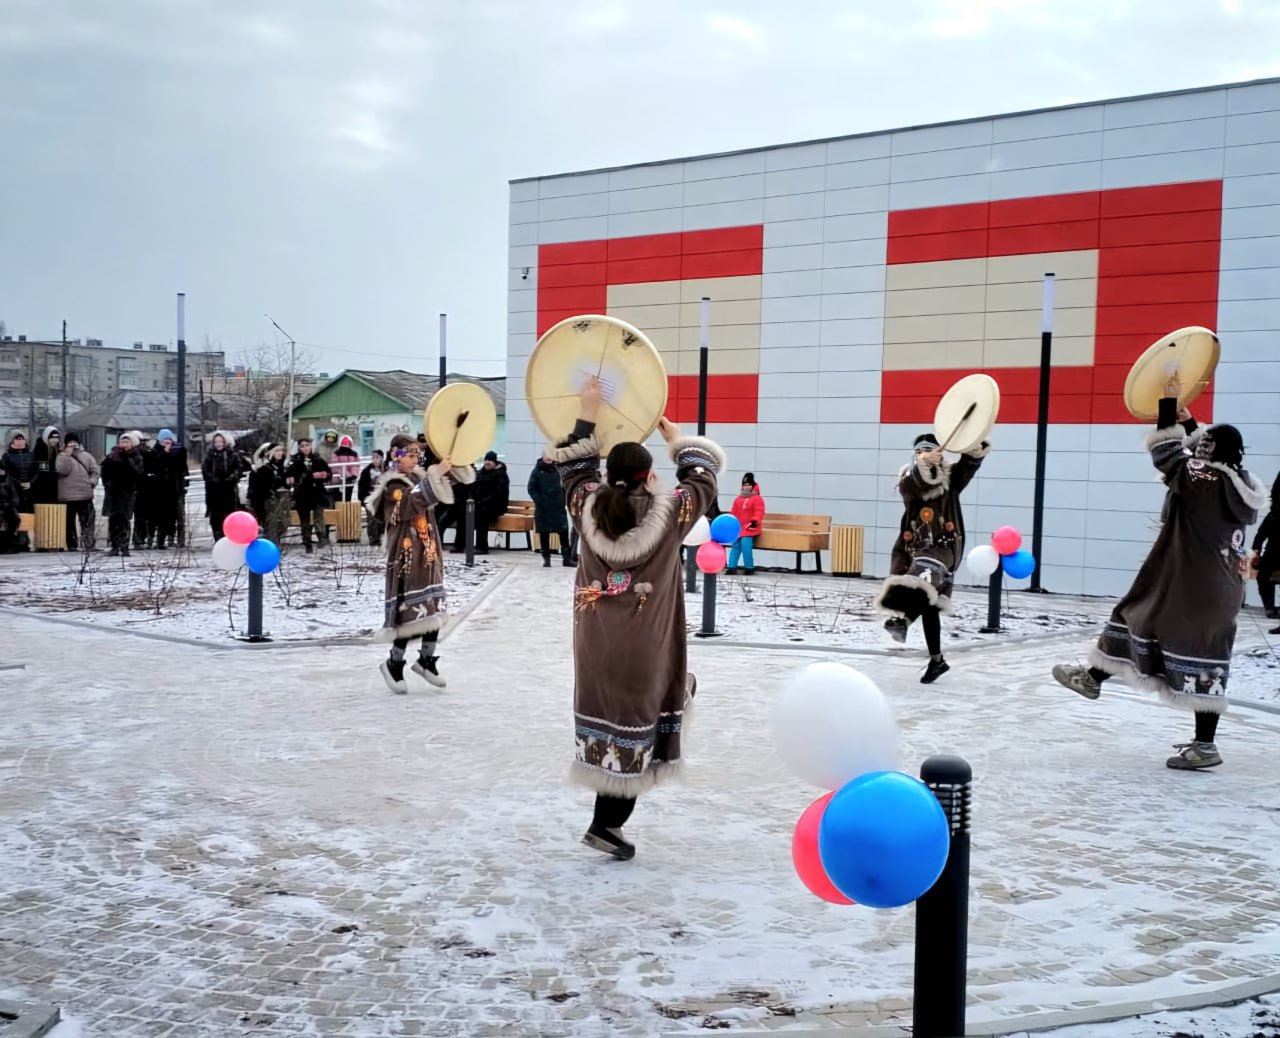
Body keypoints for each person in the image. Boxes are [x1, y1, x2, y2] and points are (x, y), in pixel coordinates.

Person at [547, 376, 724, 861]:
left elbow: (574, 467)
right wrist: (676, 440)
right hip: (648, 647)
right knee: (644, 720)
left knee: (610, 719)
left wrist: (587, 411)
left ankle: (606, 823)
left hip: (597, 644)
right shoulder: (672, 513)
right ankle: (606, 826)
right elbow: (703, 476)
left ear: (609, 476)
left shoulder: (585, 504)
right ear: (649, 476)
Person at [1052, 377, 1267, 770]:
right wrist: (1189, 422)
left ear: (1210, 453)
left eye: (1203, 445)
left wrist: (1167, 404)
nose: (1198, 449)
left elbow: (1169, 457)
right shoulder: (1237, 483)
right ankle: (1095, 680)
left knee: (1144, 618)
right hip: (1215, 586)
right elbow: (1197, 456)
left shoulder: (1207, 482)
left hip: (1193, 585)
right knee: (1158, 628)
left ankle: (1204, 746)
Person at [875, 432, 990, 684]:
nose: (923, 455)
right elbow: (915, 485)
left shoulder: (952, 481)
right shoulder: (908, 479)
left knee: (924, 581)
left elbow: (969, 465)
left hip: (943, 548)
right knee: (928, 606)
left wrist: (973, 443)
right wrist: (924, 463)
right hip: (915, 549)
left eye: (929, 450)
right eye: (919, 451)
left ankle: (903, 621)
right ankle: (937, 661)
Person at [365, 434, 474, 693]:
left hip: (427, 552)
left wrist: (453, 463)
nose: (415, 459)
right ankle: (394, 662)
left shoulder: (418, 478)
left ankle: (426, 659)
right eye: (410, 454)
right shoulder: (392, 485)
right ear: (396, 455)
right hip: (406, 557)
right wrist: (435, 476)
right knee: (409, 611)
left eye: (417, 454)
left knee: (433, 607)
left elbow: (439, 485)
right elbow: (410, 503)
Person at [101, 434, 144, 557]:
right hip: (113, 493)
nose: (124, 444)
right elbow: (105, 472)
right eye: (122, 441)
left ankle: (124, 547)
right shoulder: (113, 456)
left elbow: (137, 472)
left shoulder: (136, 456)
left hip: (127, 493)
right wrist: (108, 484)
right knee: (113, 520)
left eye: (127, 441)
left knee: (124, 520)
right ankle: (114, 546)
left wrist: (126, 458)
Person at [287, 438, 331, 553]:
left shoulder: (318, 459)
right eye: (303, 446)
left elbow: (328, 473)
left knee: (318, 517)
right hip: (303, 494)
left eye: (307, 445)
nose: (305, 448)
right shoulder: (296, 461)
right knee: (305, 521)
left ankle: (321, 538)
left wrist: (324, 475)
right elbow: (293, 477)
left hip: (317, 493)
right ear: (299, 448)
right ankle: (307, 542)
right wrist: (311, 476)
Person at [56, 433, 99, 550]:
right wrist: (66, 456)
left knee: (88, 520)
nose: (73, 444)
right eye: (70, 442)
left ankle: (88, 543)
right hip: (67, 496)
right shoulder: (61, 456)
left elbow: (95, 471)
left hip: (85, 494)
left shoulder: (87, 456)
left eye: (75, 441)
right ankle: (72, 544)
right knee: (69, 522)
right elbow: (62, 470)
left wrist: (92, 482)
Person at [528, 455, 572, 567]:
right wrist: (539, 501)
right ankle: (546, 560)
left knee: (563, 533)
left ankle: (566, 559)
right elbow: (531, 488)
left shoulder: (559, 470)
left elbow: (566, 486)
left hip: (558, 508)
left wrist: (564, 500)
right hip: (544, 509)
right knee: (544, 534)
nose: (549, 458)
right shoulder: (537, 471)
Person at [201, 431, 243, 541]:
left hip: (229, 490)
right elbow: (205, 471)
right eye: (216, 442)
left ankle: (230, 537)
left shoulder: (232, 455)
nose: (218, 444)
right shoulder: (209, 456)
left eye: (221, 441)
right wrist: (213, 480)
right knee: (215, 517)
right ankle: (218, 538)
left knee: (230, 515)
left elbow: (238, 469)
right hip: (213, 491)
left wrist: (231, 478)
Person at [1250, 470, 1280, 623]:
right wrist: (1256, 550)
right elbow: (1261, 534)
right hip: (1273, 552)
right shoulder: (1274, 514)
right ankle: (1270, 608)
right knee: (1263, 576)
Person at [248, 443, 291, 547]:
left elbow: (286, 481)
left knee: (283, 523)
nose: (280, 453)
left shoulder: (285, 466)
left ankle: (274, 540)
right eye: (277, 451)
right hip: (269, 499)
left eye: (281, 451)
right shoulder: (265, 468)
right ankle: (272, 544)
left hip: (283, 499)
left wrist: (288, 482)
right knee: (272, 523)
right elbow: (262, 484)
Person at [149, 428, 184, 550]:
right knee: (159, 516)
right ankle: (159, 539)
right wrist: (165, 453)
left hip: (172, 488)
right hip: (159, 489)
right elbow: (156, 465)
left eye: (169, 439)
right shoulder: (154, 451)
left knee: (172, 516)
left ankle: (171, 538)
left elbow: (180, 467)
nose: (167, 441)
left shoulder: (178, 451)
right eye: (164, 439)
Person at [469, 451, 509, 555]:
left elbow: (499, 493)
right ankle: (463, 545)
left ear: (495, 462)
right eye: (486, 461)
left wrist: (483, 502)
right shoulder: (480, 473)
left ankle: (482, 547)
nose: (487, 463)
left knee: (481, 518)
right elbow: (473, 487)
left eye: (490, 461)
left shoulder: (501, 475)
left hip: (495, 506)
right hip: (480, 504)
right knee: (465, 514)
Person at [728, 473, 765, 575]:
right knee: (735, 545)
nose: (746, 486)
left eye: (749, 484)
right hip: (739, 528)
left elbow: (759, 512)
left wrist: (754, 521)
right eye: (745, 484)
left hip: (750, 527)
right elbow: (733, 512)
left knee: (746, 544)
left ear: (753, 486)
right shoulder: (738, 499)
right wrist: (731, 522)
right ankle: (731, 567)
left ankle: (749, 567)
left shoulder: (757, 499)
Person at [358, 449, 386, 547]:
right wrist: (363, 500)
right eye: (373, 458)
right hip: (370, 499)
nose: (375, 460)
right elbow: (361, 486)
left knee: (382, 519)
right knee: (372, 519)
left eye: (377, 457)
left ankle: (382, 537)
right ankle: (373, 539)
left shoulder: (386, 470)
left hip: (383, 499)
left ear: (382, 458)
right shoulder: (366, 471)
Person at [4, 431, 37, 514]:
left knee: (30, 515)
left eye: (22, 438)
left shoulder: (32, 455)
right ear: (12, 440)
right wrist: (19, 483)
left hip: (30, 490)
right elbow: (6, 473)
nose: (20, 441)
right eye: (17, 438)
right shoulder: (7, 456)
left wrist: (30, 483)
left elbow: (36, 471)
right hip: (14, 491)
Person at [32, 426, 61, 505]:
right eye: (52, 437)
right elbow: (36, 470)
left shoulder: (58, 451)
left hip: (55, 490)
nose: (55, 440)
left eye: (57, 437)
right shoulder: (39, 450)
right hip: (41, 489)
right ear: (46, 437)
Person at [330, 435, 362, 503]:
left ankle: (346, 512)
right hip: (338, 480)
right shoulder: (336, 453)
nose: (346, 444)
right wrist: (346, 474)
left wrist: (353, 475)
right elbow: (336, 466)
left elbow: (356, 465)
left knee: (348, 497)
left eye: (348, 443)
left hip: (350, 480)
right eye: (344, 442)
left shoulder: (354, 454)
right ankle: (338, 512)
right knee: (338, 498)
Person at [0, 460, 22, 553]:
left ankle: (6, 545)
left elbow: (15, 498)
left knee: (13, 519)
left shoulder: (9, 481)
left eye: (2, 470)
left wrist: (9, 505)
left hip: (7, 507)